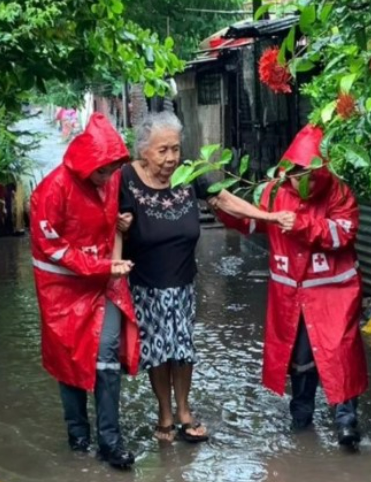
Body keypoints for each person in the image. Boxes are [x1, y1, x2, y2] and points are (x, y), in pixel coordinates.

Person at [117, 111, 274, 444]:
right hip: (145, 284)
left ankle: (184, 410)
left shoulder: (189, 174)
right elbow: (106, 219)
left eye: (175, 148)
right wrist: (120, 228)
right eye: (163, 150)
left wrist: (267, 216)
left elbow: (223, 198)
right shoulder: (125, 178)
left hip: (184, 281)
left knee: (183, 347)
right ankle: (164, 413)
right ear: (144, 150)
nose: (172, 157)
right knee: (158, 351)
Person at [213, 124, 369, 449]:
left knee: (339, 352)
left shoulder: (340, 193)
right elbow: (253, 221)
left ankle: (346, 422)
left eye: (307, 174)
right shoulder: (273, 192)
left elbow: (342, 234)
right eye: (296, 174)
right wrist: (225, 212)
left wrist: (300, 224)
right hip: (291, 297)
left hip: (333, 295)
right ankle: (301, 419)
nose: (302, 181)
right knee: (300, 357)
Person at [30, 113, 140, 469]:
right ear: (88, 164)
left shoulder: (109, 180)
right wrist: (102, 266)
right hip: (62, 289)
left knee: (106, 354)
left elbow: (104, 219)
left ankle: (110, 441)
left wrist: (119, 223)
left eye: (112, 170)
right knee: (69, 360)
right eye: (103, 171)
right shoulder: (51, 191)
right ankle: (78, 437)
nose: (108, 178)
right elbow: (52, 247)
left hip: (102, 281)